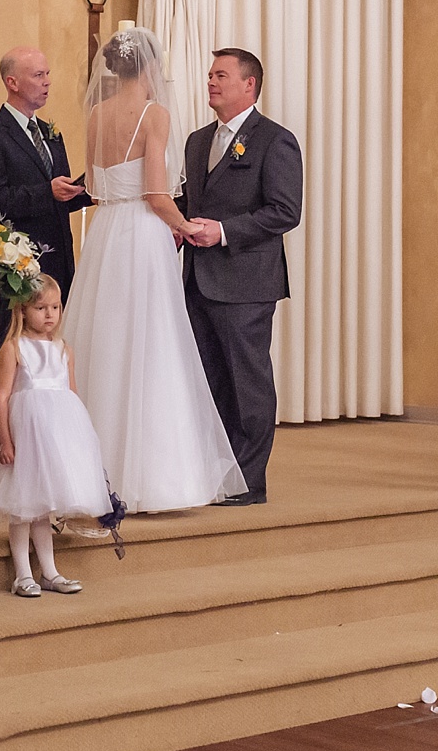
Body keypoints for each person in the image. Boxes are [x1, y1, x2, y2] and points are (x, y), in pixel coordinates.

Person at [64, 27, 245, 512]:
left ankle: (86, 471)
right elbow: (155, 193)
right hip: (143, 236)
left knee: (103, 342)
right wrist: (186, 226)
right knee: (151, 346)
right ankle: (150, 476)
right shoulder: (154, 114)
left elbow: (97, 190)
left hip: (105, 233)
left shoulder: (96, 114)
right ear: (148, 69)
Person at [180, 46, 305, 506]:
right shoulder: (197, 140)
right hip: (197, 278)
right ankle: (216, 472)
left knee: (247, 380)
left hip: (247, 282)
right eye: (210, 74)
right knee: (208, 380)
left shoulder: (275, 140)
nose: (211, 82)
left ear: (249, 84)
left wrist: (225, 232)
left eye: (221, 75)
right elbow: (189, 203)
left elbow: (284, 212)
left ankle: (250, 480)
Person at [0, 46, 91, 425]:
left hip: (58, 260)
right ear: (12, 82)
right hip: (15, 265)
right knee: (10, 349)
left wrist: (96, 190)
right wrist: (47, 192)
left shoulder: (51, 134)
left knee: (49, 352)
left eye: (48, 73)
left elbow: (61, 196)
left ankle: (43, 432)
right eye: (38, 75)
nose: (47, 81)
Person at [0, 276, 114, 596]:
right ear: (23, 310)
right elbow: (2, 398)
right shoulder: (13, 349)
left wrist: (81, 443)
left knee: (43, 510)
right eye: (41, 307)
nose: (50, 314)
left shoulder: (64, 350)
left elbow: (72, 396)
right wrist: (6, 441)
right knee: (23, 506)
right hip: (24, 436)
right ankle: (23, 574)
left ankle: (50, 572)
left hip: (55, 440)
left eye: (55, 307)